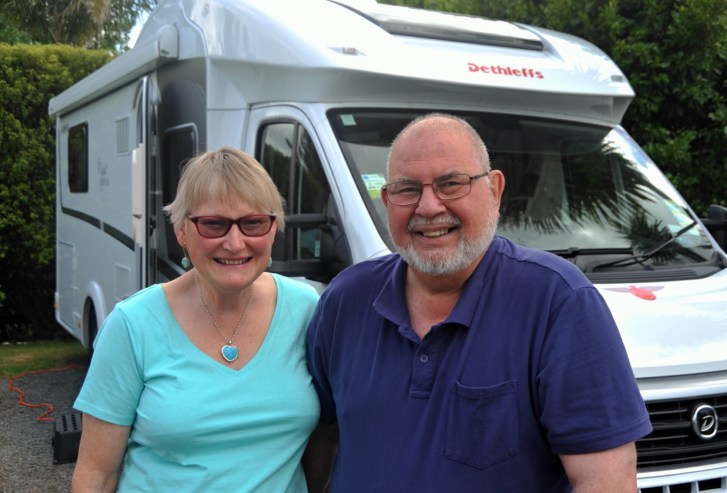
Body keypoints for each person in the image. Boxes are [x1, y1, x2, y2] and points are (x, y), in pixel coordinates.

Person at [305, 114, 652, 491]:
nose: (428, 207)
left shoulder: (558, 302)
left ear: (494, 190)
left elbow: (607, 483)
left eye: (451, 183)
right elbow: (314, 434)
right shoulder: (345, 300)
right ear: (388, 200)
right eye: (407, 189)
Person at [72, 147, 323, 492]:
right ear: (181, 231)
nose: (235, 243)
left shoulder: (306, 309)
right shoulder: (133, 325)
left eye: (253, 223)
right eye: (213, 224)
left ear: (274, 228)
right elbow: (96, 475)